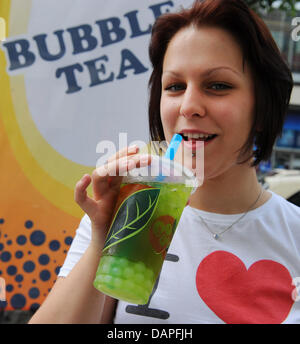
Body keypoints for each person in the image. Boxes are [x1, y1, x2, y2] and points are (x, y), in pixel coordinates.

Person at [29, 0, 300, 324]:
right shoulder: (128, 211)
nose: (188, 106)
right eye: (174, 87)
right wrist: (104, 236)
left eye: (218, 86)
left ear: (262, 107)